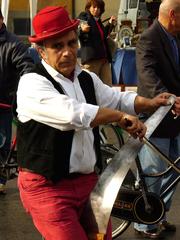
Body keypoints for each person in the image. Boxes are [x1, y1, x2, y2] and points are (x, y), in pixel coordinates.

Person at [16, 6, 178, 240]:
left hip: (89, 185)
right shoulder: (31, 83)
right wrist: (119, 118)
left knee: (102, 238)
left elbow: (118, 98)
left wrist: (151, 102)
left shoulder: (86, 78)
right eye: (57, 46)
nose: (67, 52)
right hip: (48, 188)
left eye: (71, 43)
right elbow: (74, 114)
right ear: (41, 51)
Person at [134, 0, 180, 238]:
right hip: (156, 115)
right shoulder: (148, 38)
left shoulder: (176, 37)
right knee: (153, 170)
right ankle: (145, 222)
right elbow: (148, 76)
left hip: (176, 117)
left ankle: (159, 214)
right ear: (173, 14)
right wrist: (170, 98)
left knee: (175, 168)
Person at [0, 9, 34, 194]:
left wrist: (24, 90)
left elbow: (27, 67)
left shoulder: (13, 44)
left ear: (1, 19)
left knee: (2, 144)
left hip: (5, 101)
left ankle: (1, 179)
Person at [78, 0, 116, 86]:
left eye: (99, 8)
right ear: (89, 7)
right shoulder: (84, 16)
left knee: (108, 87)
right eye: (94, 7)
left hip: (104, 59)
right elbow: (77, 31)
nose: (96, 9)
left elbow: (103, 36)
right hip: (92, 60)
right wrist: (82, 30)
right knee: (89, 87)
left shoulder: (97, 21)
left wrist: (110, 24)